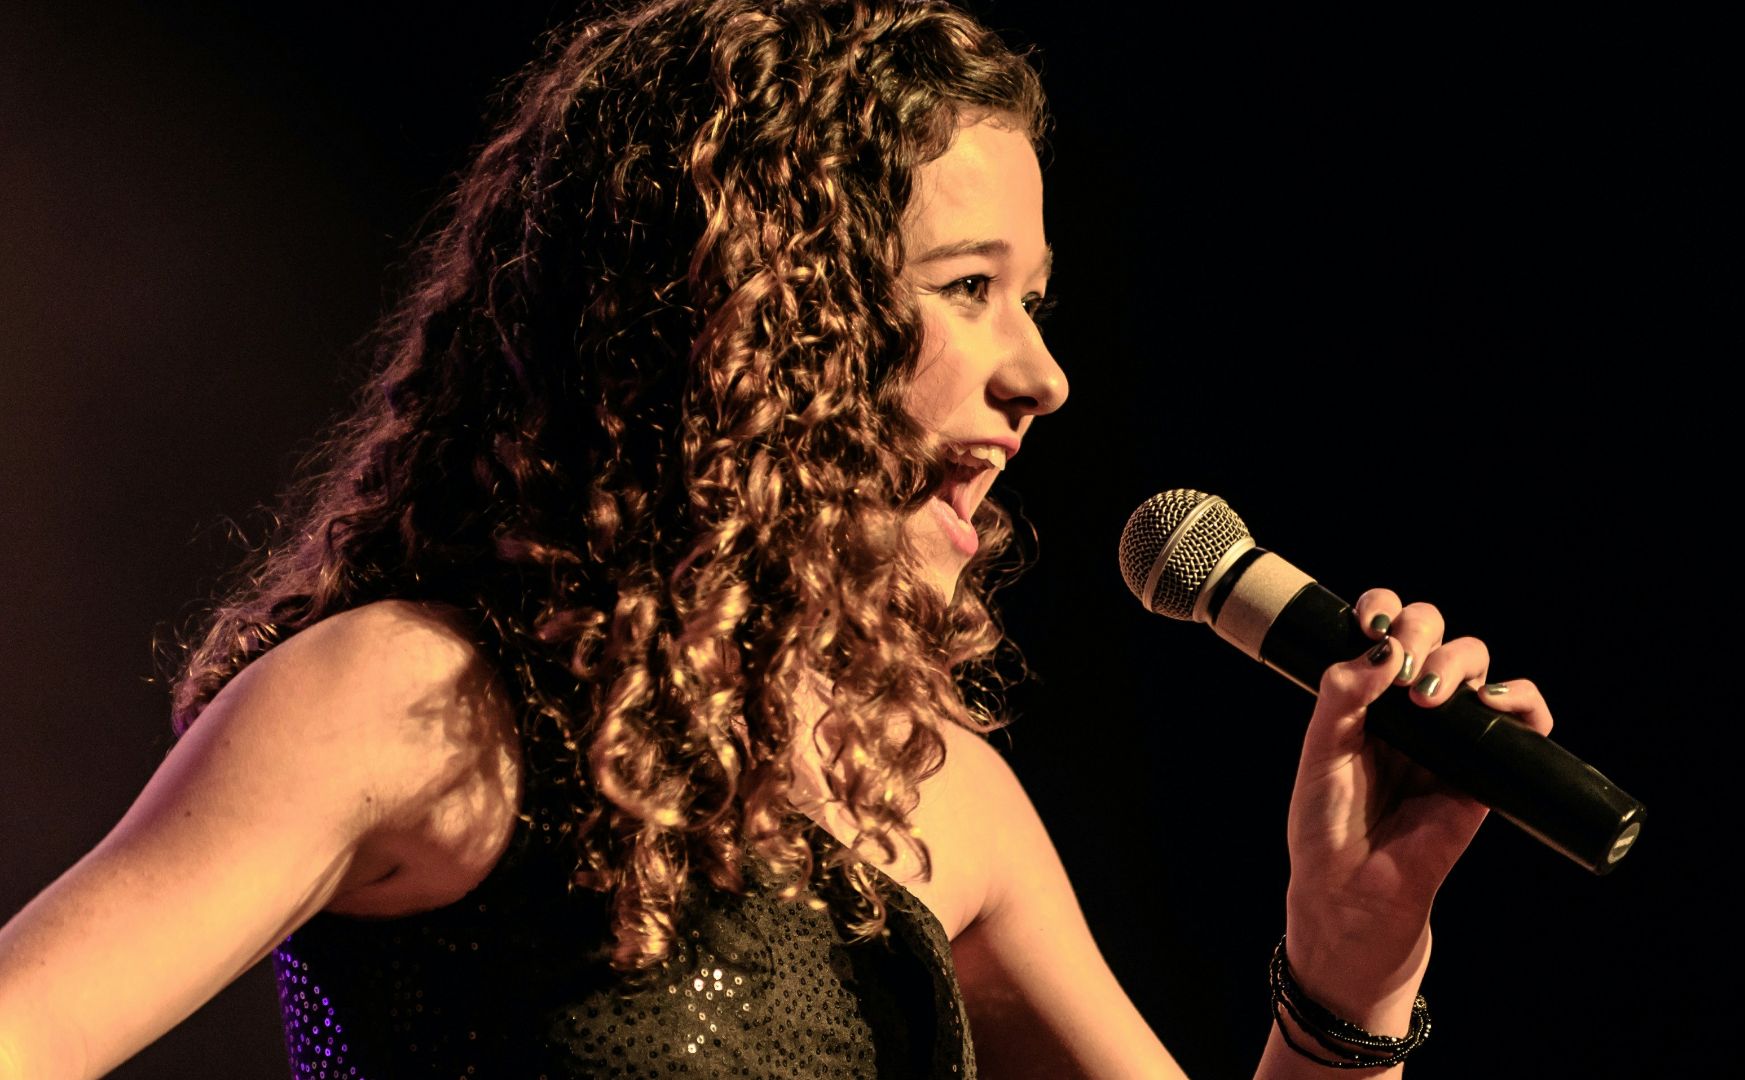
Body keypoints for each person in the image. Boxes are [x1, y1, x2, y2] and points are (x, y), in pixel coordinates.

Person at [0, 1, 1556, 1076]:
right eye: (967, 288)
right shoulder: (408, 703)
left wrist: (1351, 972)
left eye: (1039, 296)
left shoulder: (938, 794)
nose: (1043, 374)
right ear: (757, 325)